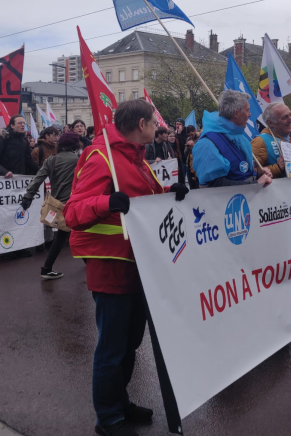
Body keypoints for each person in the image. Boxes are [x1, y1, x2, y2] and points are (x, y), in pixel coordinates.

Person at [63, 99, 188, 436]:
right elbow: (73, 212)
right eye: (153, 122)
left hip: (139, 263)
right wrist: (106, 203)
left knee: (131, 341)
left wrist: (170, 193)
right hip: (110, 265)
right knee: (113, 345)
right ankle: (108, 417)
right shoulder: (100, 156)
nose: (157, 128)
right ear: (140, 125)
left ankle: (120, 401)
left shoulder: (136, 158)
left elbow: (145, 199)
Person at [21, 132, 81, 280]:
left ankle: (49, 267)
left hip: (58, 204)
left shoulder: (51, 160)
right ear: (75, 145)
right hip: (75, 203)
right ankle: (46, 268)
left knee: (67, 234)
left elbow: (37, 179)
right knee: (71, 234)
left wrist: (27, 197)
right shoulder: (79, 160)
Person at [192, 90, 273, 188]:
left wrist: (258, 174)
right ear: (236, 113)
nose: (250, 114)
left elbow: (242, 174)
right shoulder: (207, 143)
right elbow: (213, 185)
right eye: (247, 110)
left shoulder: (240, 137)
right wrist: (256, 184)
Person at [252, 102, 291, 179]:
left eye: (290, 115)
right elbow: (252, 172)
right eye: (284, 117)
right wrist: (278, 167)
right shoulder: (260, 141)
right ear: (270, 123)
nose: (290, 120)